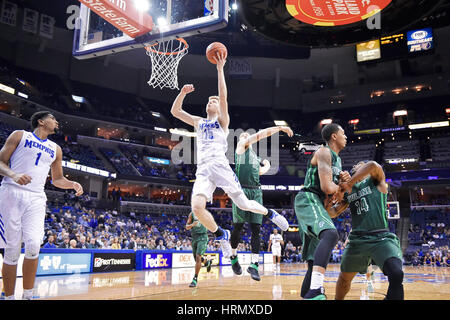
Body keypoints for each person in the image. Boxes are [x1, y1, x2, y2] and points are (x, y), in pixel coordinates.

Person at [170, 51, 289, 259]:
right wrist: (182, 93)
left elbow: (223, 95)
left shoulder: (222, 122)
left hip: (221, 166)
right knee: (197, 207)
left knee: (244, 204)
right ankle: (220, 234)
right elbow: (176, 112)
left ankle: (271, 214)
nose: (211, 102)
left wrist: (219, 69)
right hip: (204, 169)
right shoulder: (199, 121)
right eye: (209, 101)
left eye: (214, 101)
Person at [0, 111, 83, 300]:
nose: (56, 122)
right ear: (41, 121)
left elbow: (57, 179)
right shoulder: (20, 135)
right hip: (11, 191)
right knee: (12, 249)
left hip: (37, 196)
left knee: (33, 245)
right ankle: (9, 297)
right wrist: (13, 175)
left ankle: (28, 295)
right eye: (52, 118)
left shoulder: (56, 148)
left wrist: (72, 184)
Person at [230, 125, 293, 281]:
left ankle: (254, 265)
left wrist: (268, 166)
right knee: (238, 226)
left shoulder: (254, 155)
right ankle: (233, 257)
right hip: (242, 191)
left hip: (256, 191)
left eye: (246, 135)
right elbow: (259, 134)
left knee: (256, 229)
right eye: (243, 135)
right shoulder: (240, 148)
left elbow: (260, 171)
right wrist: (279, 128)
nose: (245, 136)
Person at [334, 160, 404, 300]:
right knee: (344, 279)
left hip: (381, 237)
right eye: (357, 167)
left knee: (396, 274)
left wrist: (349, 182)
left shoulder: (376, 180)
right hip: (357, 240)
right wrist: (334, 195)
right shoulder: (350, 190)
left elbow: (373, 165)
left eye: (362, 166)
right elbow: (333, 212)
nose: (360, 167)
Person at [293, 123, 348, 300]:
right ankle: (316, 290)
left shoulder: (338, 161)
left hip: (318, 204)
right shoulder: (324, 152)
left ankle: (308, 294)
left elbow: (331, 211)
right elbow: (326, 186)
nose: (346, 137)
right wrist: (343, 188)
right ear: (334, 136)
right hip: (308, 198)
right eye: (343, 133)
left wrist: (343, 196)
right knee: (331, 235)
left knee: (312, 261)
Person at [185, 212, 212, 288]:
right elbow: (187, 227)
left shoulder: (205, 213)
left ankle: (195, 279)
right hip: (194, 238)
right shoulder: (191, 214)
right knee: (197, 259)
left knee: (198, 257)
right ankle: (207, 263)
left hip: (203, 237)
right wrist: (192, 225)